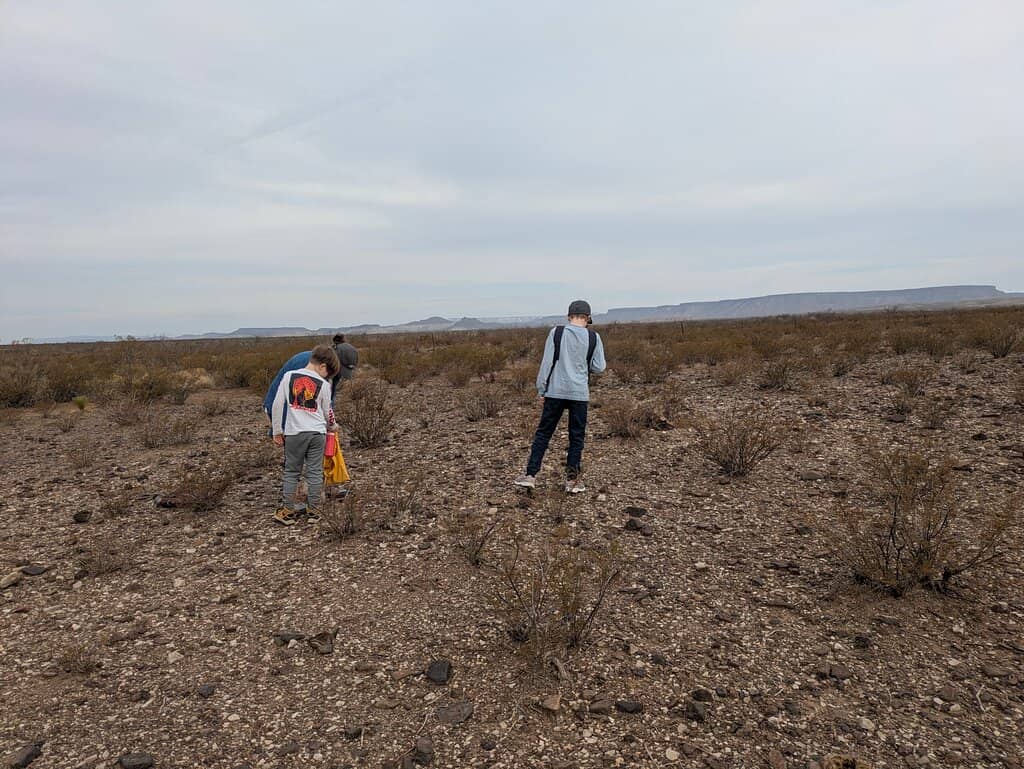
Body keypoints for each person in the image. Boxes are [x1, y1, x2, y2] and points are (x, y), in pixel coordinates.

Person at [514, 300, 606, 493]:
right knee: (576, 436)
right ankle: (572, 481)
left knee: (544, 433)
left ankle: (530, 475)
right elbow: (599, 367)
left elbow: (547, 364)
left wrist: (542, 389)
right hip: (580, 394)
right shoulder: (594, 337)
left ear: (568, 316)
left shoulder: (556, 333)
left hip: (555, 392)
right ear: (588, 318)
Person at [270, 344, 341, 526]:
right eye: (328, 373)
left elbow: (277, 405)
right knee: (315, 471)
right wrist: (333, 426)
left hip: (294, 433)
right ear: (323, 367)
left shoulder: (288, 377)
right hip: (317, 433)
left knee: (292, 471)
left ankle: (287, 510)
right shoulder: (324, 385)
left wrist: (277, 430)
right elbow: (328, 411)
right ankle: (314, 510)